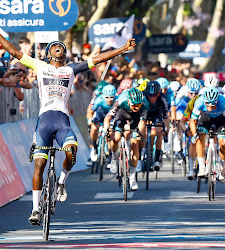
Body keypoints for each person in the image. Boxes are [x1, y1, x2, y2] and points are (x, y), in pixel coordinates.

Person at [0, 32, 136, 224]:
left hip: (62, 121)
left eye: (61, 46)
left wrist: (123, 49)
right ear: (48, 53)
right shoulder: (40, 66)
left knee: (71, 152)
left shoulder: (71, 69)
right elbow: (13, 51)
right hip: (44, 122)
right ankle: (35, 209)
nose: (59, 47)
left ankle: (61, 182)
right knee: (39, 165)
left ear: (64, 55)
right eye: (55, 46)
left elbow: (98, 59)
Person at [104, 88, 148, 191]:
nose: (136, 107)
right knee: (116, 138)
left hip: (136, 119)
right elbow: (107, 118)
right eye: (134, 105)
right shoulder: (121, 101)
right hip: (121, 115)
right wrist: (107, 131)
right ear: (128, 102)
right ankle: (114, 159)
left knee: (135, 142)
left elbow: (142, 122)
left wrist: (139, 133)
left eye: (138, 105)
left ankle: (132, 178)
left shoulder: (145, 103)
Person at [190, 87, 225, 182]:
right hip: (206, 118)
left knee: (223, 142)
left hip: (220, 119)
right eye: (207, 103)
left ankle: (222, 168)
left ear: (217, 101)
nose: (210, 105)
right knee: (200, 137)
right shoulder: (199, 101)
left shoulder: (222, 102)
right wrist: (194, 134)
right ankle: (201, 167)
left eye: (213, 104)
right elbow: (192, 120)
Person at [89, 85, 117, 162]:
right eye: (107, 97)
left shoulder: (117, 100)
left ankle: (110, 151)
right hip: (100, 115)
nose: (109, 100)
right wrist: (90, 120)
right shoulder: (99, 100)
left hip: (111, 117)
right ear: (103, 96)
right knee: (94, 128)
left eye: (112, 97)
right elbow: (91, 111)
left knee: (111, 133)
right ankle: (94, 146)